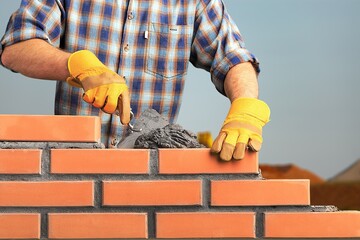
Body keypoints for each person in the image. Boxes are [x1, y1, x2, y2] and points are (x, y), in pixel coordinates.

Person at [0, 0, 270, 161]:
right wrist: (77, 65)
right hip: (71, 170)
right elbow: (16, 47)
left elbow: (233, 58)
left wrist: (245, 105)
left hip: (149, 179)